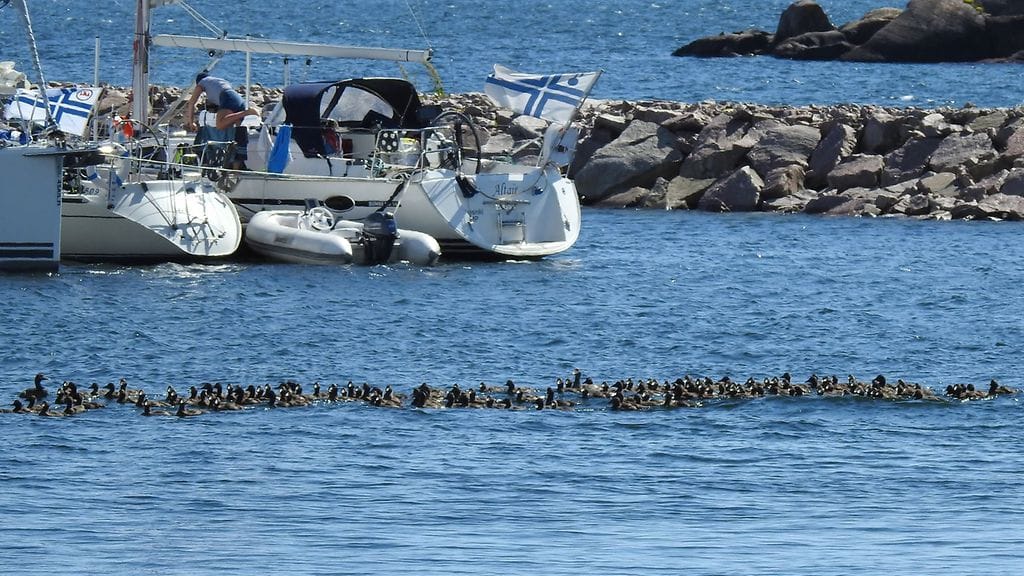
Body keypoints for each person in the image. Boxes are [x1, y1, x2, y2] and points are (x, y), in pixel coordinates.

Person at [184, 72, 259, 132]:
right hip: (237, 99)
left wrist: (191, 122)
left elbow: (191, 103)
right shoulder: (217, 82)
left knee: (220, 125)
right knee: (232, 129)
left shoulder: (202, 82)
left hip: (227, 97)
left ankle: (247, 112)